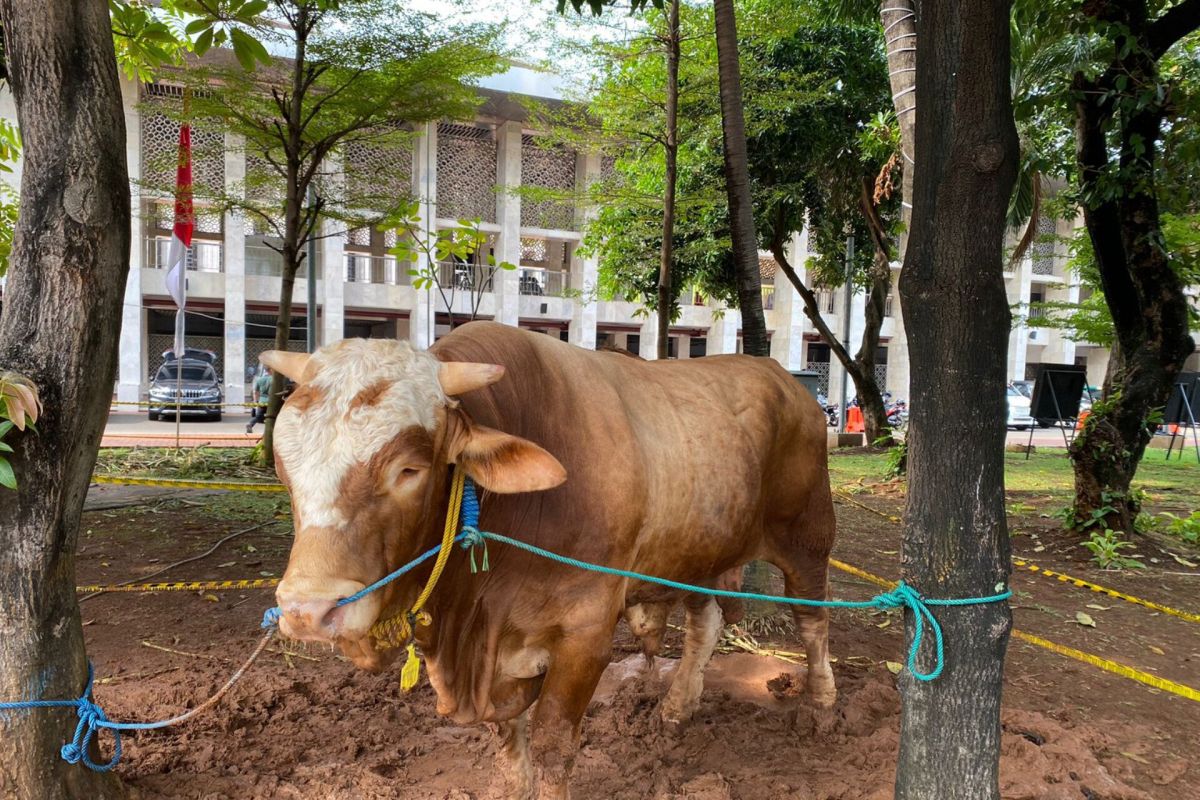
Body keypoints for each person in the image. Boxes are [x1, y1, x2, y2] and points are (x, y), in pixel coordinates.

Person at [246, 366, 273, 433]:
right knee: (274, 416)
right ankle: (271, 430)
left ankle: (250, 424)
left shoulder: (259, 380)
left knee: (259, 416)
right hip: (272, 401)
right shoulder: (274, 379)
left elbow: (256, 392)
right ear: (271, 370)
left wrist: (256, 401)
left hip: (262, 401)